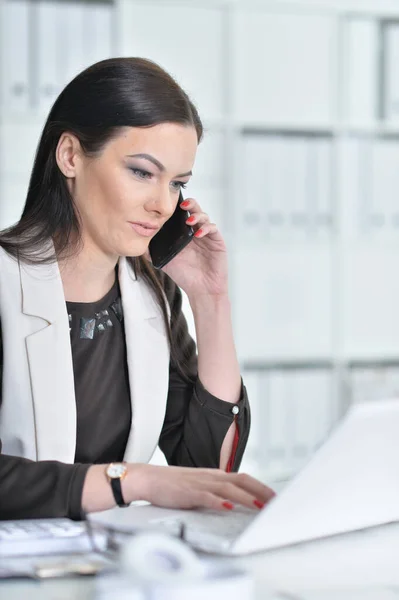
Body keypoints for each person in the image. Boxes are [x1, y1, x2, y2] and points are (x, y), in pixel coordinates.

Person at [0, 57, 274, 520]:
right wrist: (133, 480)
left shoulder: (150, 293)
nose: (162, 205)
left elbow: (207, 468)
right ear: (70, 156)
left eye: (178, 184)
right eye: (142, 172)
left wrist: (211, 301)